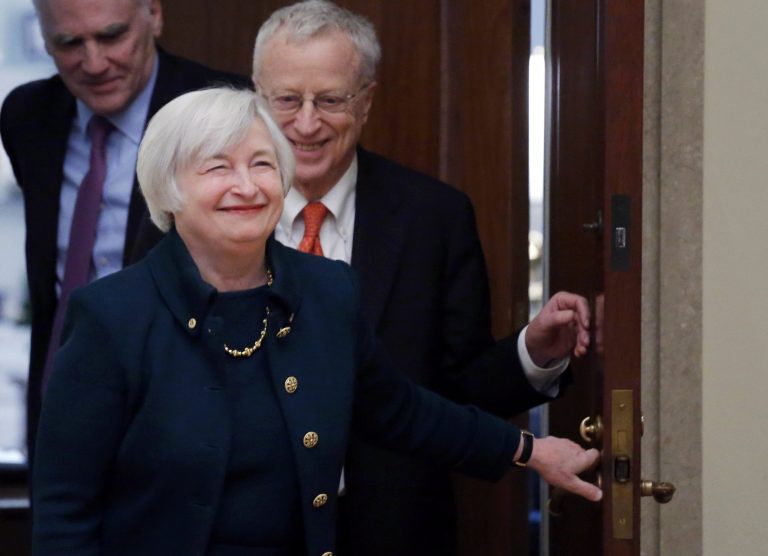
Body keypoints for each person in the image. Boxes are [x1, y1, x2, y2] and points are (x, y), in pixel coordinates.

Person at [32, 86, 600, 556]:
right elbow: (64, 509)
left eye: (262, 164)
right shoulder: (112, 316)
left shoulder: (328, 289)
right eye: (217, 167)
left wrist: (529, 450)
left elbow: (400, 410)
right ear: (170, 188)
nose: (247, 186)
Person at [250, 1, 589, 553]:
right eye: (287, 99)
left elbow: (460, 391)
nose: (305, 122)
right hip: (237, 528)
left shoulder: (433, 217)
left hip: (391, 529)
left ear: (366, 103)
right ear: (258, 98)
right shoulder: (208, 213)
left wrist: (533, 351)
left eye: (330, 100)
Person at [0, 0, 249, 464]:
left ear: (153, 14)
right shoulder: (27, 117)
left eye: (112, 36)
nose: (94, 64)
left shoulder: (222, 113)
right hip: (60, 415)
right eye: (69, 43)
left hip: (185, 425)